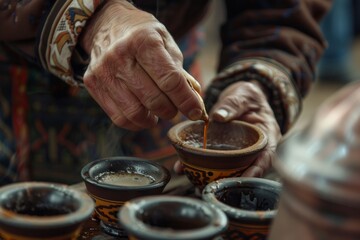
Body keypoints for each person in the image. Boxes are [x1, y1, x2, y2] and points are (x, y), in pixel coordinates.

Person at [0, 0, 331, 185]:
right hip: (16, 85)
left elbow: (281, 11)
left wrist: (258, 76)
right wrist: (90, 16)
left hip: (169, 75)